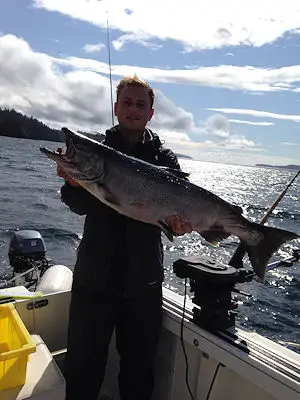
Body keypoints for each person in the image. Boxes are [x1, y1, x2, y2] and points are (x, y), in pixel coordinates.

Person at [59, 75, 192, 400]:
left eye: (140, 104)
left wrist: (180, 224)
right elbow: (77, 206)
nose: (133, 109)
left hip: (142, 284)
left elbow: (177, 214)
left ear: (151, 112)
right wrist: (75, 183)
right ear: (116, 108)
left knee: (138, 372)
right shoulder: (96, 152)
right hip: (94, 279)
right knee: (82, 368)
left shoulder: (166, 160)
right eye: (127, 103)